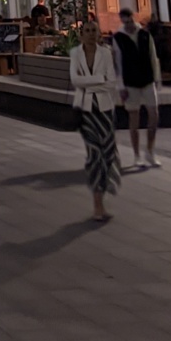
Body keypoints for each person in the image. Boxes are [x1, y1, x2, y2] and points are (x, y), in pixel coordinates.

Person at [70, 18, 122, 221]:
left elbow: (111, 83)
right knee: (94, 156)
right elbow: (75, 80)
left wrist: (89, 84)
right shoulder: (75, 54)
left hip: (105, 110)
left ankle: (104, 190)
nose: (91, 33)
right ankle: (97, 205)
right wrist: (98, 81)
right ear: (81, 34)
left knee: (108, 154)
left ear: (99, 34)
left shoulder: (106, 53)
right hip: (85, 110)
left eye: (94, 30)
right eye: (87, 30)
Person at [113, 8, 163, 168]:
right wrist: (121, 86)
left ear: (133, 19)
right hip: (130, 82)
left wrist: (157, 79)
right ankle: (136, 155)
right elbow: (118, 63)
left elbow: (152, 57)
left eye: (129, 21)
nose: (127, 25)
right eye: (124, 22)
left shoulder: (144, 35)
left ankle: (150, 150)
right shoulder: (118, 38)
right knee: (133, 117)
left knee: (153, 114)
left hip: (147, 79)